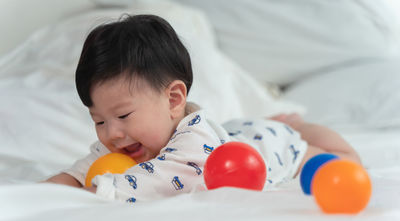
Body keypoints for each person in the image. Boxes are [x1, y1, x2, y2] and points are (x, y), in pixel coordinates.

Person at [45, 14, 361, 202]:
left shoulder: (191, 150)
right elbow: (78, 174)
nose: (111, 133)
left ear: (173, 100)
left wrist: (89, 193)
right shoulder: (122, 143)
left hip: (270, 146)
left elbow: (151, 183)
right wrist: (46, 191)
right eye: (99, 121)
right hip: (232, 135)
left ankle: (296, 125)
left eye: (123, 115)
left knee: (342, 161)